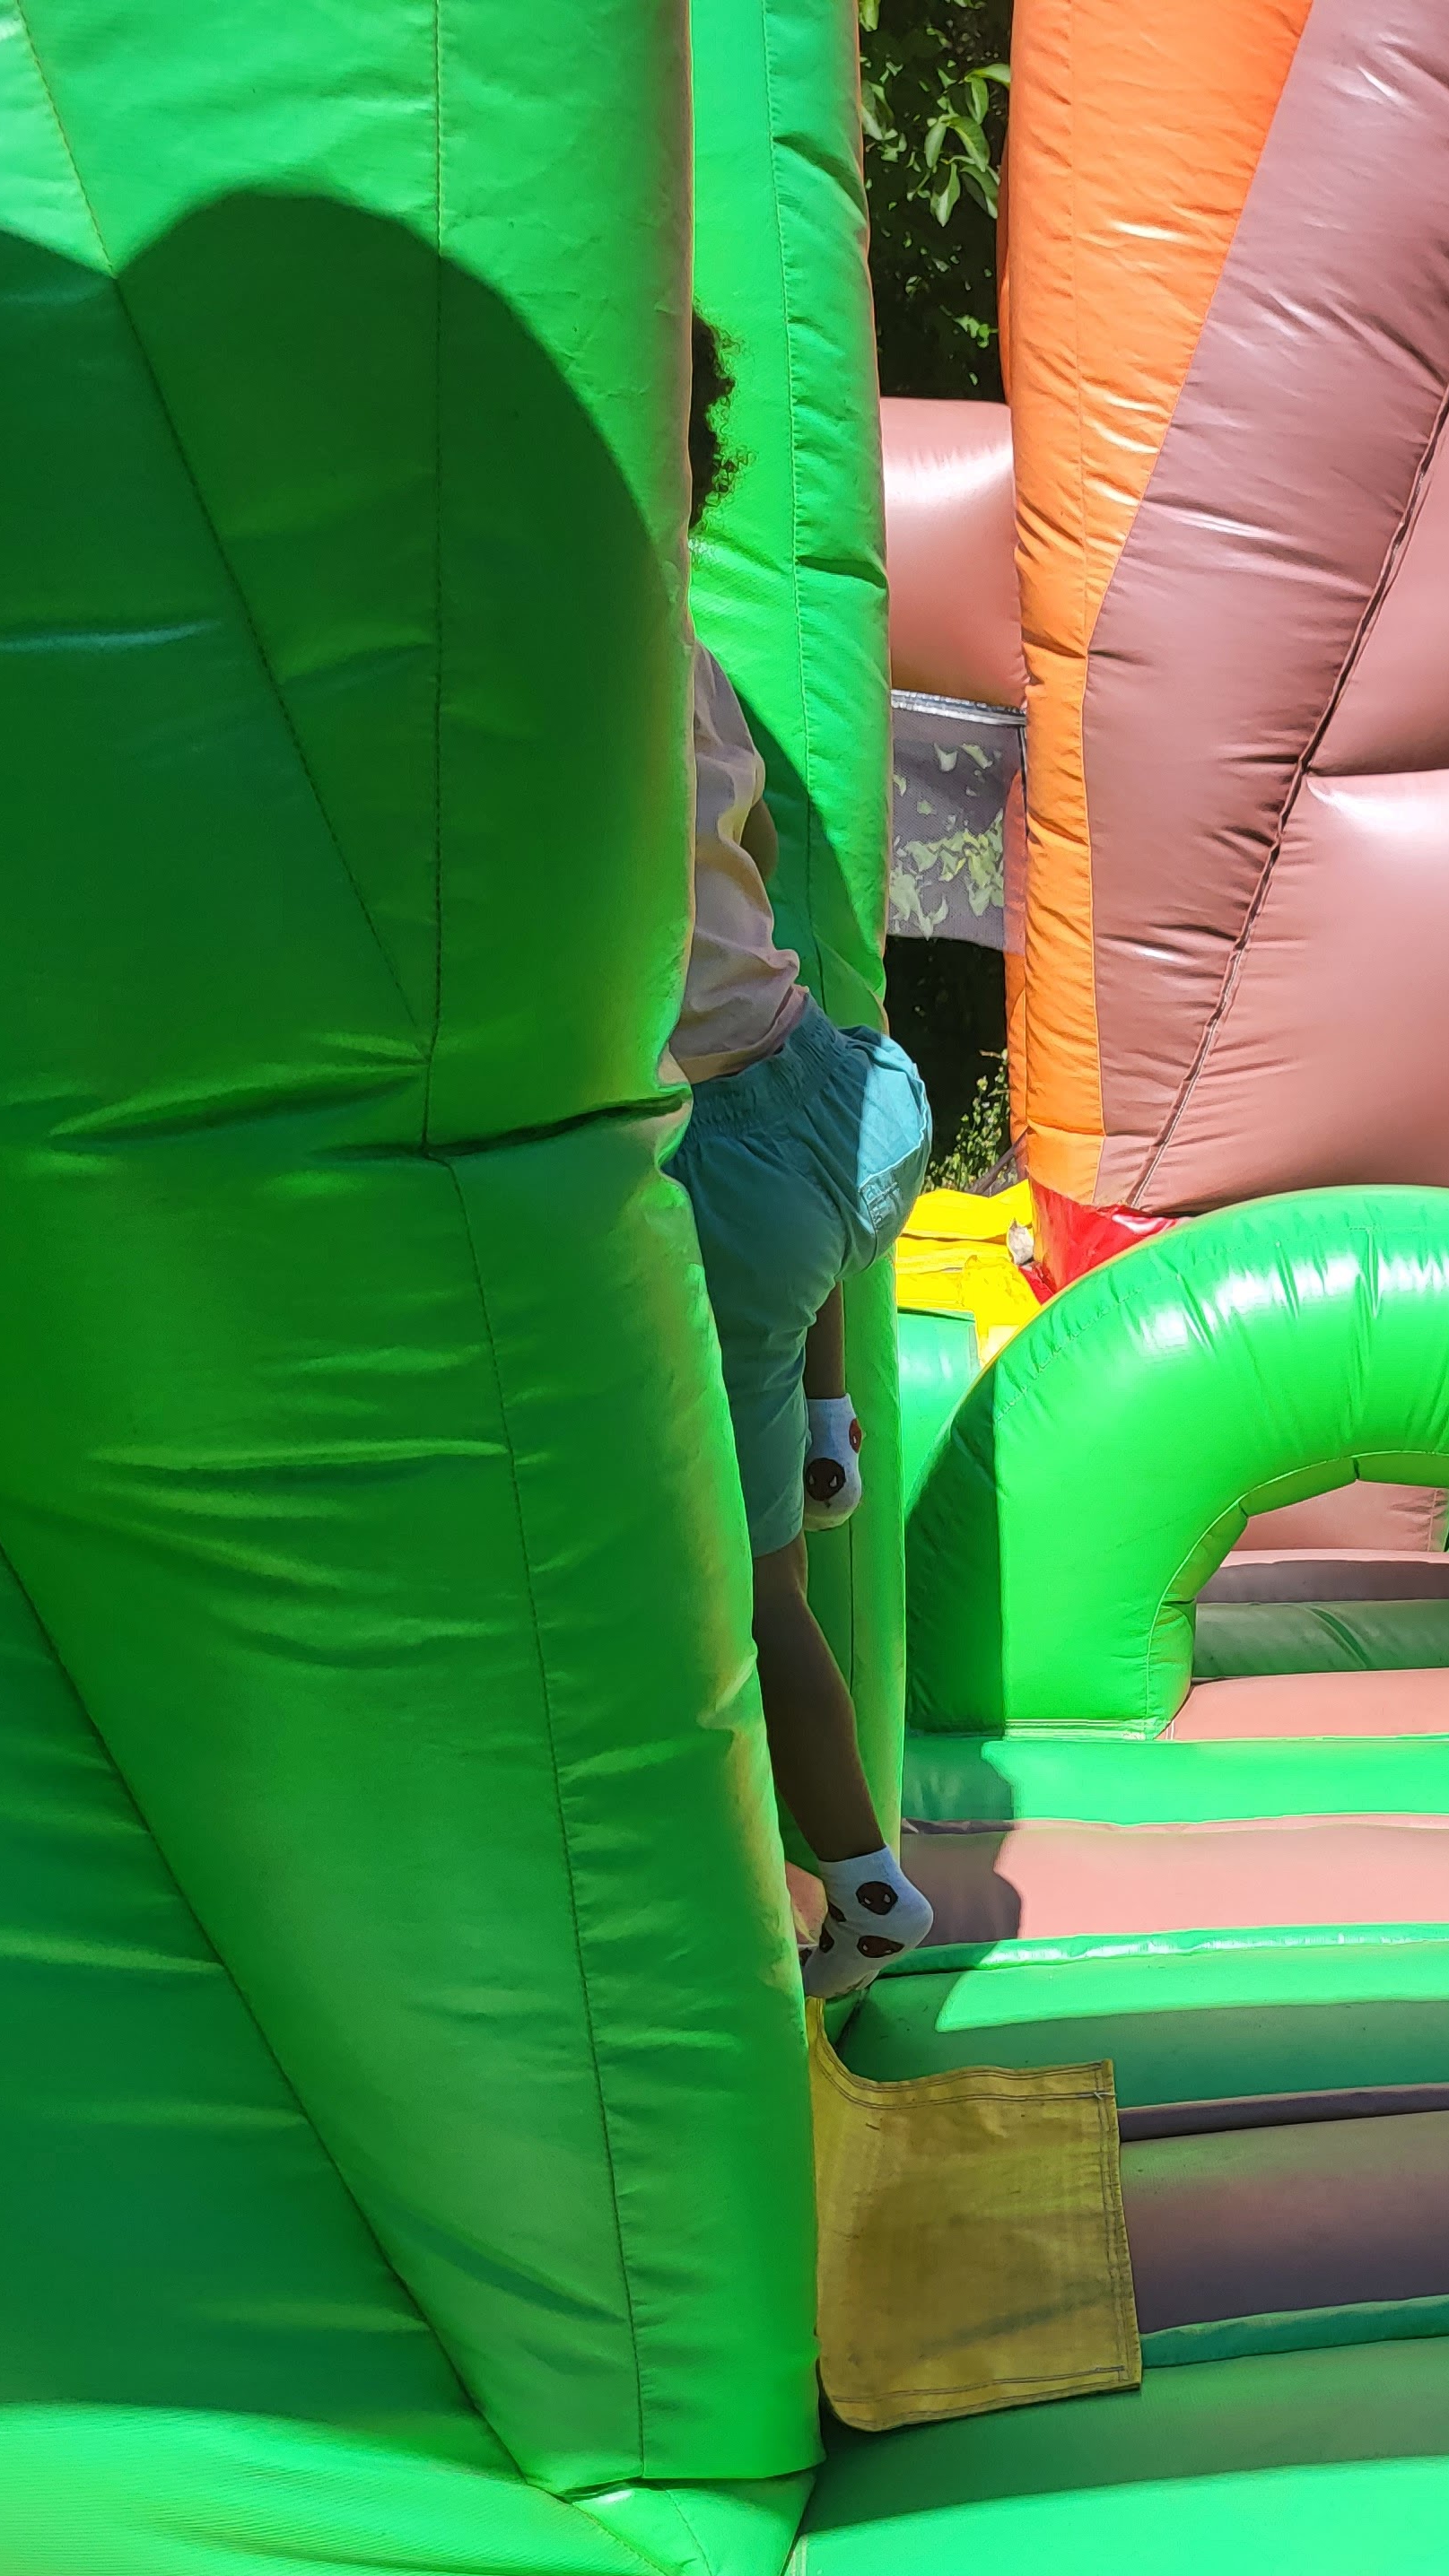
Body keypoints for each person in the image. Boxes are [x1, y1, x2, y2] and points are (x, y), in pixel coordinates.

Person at [669, 317, 936, 1999]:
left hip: (737, 1173)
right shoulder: (685, 648)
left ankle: (865, 1889)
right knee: (800, 1202)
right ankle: (833, 1421)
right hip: (849, 1097)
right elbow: (755, 840)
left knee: (763, 1595)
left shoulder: (547, 668)